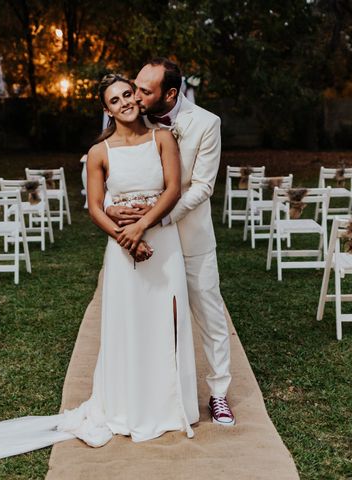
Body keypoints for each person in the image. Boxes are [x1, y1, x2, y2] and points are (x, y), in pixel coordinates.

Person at [0, 74, 198, 464]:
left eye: (128, 94)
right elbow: (96, 207)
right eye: (115, 100)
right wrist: (124, 235)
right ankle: (128, 404)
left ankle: (164, 406)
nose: (125, 102)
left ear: (137, 97)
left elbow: (173, 190)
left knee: (164, 322)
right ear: (107, 110)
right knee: (128, 323)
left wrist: (141, 226)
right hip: (121, 247)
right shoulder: (99, 151)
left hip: (160, 242)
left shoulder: (162, 139)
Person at [106, 58, 235, 425]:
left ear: (171, 94)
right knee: (152, 320)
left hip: (189, 237)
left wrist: (158, 217)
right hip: (147, 242)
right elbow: (117, 171)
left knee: (209, 317)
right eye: (135, 88)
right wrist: (116, 210)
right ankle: (159, 395)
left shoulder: (207, 124)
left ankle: (219, 393)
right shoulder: (136, 117)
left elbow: (203, 187)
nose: (136, 97)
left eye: (145, 91)